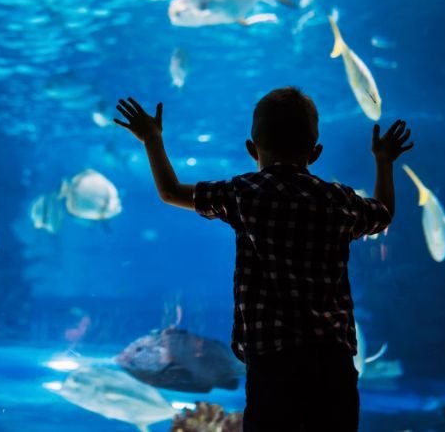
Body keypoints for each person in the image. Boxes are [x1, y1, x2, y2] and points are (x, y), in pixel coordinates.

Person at [113, 87, 413, 432]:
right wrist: (384, 161)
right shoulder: (337, 200)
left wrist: (152, 139)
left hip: (271, 360)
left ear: (252, 149)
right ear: (315, 152)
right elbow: (383, 214)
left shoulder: (244, 194)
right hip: (331, 360)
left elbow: (170, 191)